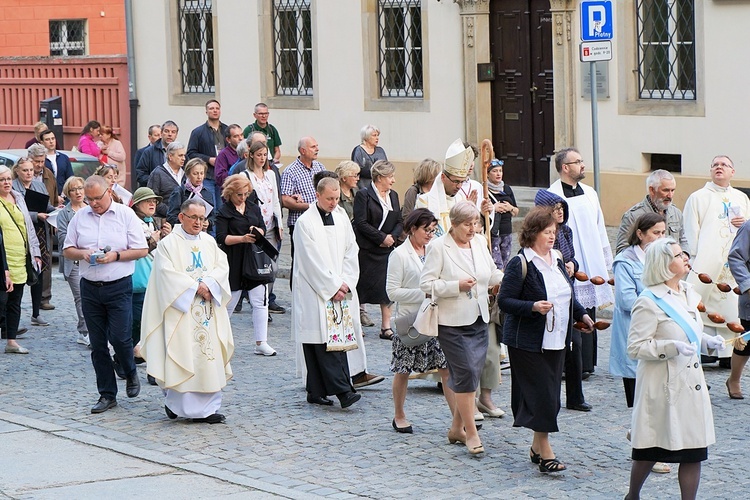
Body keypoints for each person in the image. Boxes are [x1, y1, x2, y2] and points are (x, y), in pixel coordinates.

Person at [625, 238, 722, 500]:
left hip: (691, 384)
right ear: (665, 265)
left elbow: (689, 333)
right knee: (652, 448)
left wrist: (706, 342)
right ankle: (632, 496)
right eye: (679, 255)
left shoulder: (688, 292)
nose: (686, 258)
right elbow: (635, 348)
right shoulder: (649, 301)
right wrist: (671, 347)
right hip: (662, 387)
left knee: (693, 451)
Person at [498, 207, 594, 472]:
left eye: (554, 232)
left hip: (558, 338)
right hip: (527, 341)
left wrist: (582, 315)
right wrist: (532, 307)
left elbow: (567, 295)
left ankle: (536, 446)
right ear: (533, 233)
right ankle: (546, 453)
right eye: (546, 232)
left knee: (550, 394)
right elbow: (504, 301)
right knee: (543, 396)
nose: (552, 236)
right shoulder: (522, 263)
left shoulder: (558, 259)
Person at [139, 198, 233, 423]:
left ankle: (208, 409)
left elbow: (222, 266)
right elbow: (165, 274)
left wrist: (210, 284)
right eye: (194, 218)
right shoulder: (169, 244)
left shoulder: (209, 242)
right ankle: (177, 406)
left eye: (202, 218)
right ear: (181, 217)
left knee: (208, 357)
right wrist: (195, 287)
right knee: (183, 353)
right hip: (181, 312)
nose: (199, 223)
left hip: (207, 308)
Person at [420, 201, 504, 455]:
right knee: (466, 373)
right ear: (453, 225)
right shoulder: (438, 247)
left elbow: (490, 273)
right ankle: (472, 433)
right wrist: (456, 285)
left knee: (472, 374)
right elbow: (426, 283)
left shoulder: (479, 242)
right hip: (452, 322)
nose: (473, 229)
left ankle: (456, 428)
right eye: (467, 224)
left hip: (479, 317)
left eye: (476, 223)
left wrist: (508, 280)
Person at [62, 175, 148, 414]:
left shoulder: (125, 214)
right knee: (98, 345)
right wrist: (82, 253)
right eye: (89, 199)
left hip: (119, 285)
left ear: (109, 191)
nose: (93, 203)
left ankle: (130, 371)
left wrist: (116, 256)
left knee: (121, 338)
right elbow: (67, 249)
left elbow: (141, 249)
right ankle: (107, 394)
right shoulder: (80, 217)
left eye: (97, 198)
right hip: (90, 287)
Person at [548, 147, 613, 398]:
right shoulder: (551, 195)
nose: (582, 165)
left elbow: (599, 224)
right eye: (577, 162)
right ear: (565, 167)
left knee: (590, 308)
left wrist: (604, 259)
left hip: (591, 258)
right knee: (573, 309)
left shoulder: (590, 193)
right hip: (567, 259)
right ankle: (572, 364)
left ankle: (588, 362)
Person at [292, 177, 362, 408]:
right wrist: (332, 286)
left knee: (332, 340)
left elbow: (352, 251)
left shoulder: (342, 220)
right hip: (316, 290)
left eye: (337, 198)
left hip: (339, 288)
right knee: (320, 342)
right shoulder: (305, 223)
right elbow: (310, 260)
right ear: (318, 196)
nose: (334, 203)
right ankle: (343, 391)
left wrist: (346, 283)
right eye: (329, 198)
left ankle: (316, 389)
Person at [611, 213, 672, 475]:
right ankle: (648, 450)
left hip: (662, 337)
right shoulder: (625, 262)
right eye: (655, 233)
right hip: (637, 337)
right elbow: (626, 300)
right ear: (640, 234)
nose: (660, 238)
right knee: (644, 398)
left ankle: (639, 434)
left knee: (659, 396)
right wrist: (659, 304)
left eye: (663, 232)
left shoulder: (666, 258)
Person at [386, 208, 455, 433]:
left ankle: (459, 419)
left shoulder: (435, 249)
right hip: (411, 320)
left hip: (436, 317)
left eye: (433, 230)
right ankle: (399, 414)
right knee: (403, 369)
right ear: (413, 229)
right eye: (426, 230)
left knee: (446, 369)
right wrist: (423, 292)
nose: (430, 234)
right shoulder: (399, 255)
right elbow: (392, 292)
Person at [683, 155, 750, 368]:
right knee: (702, 305)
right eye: (715, 165)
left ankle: (729, 353)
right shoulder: (698, 197)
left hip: (734, 261)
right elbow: (691, 229)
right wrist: (694, 257)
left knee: (731, 306)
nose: (719, 167)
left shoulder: (742, 197)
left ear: (733, 172)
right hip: (707, 260)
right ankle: (706, 352)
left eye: (724, 165)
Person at [215, 174, 276, 356]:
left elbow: (262, 228)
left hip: (254, 258)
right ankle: (219, 341)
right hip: (233, 258)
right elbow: (221, 238)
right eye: (239, 195)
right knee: (229, 302)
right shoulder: (224, 211)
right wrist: (241, 238)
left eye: (246, 194)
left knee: (260, 301)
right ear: (230, 193)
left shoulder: (252, 207)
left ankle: (261, 342)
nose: (243, 197)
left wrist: (258, 231)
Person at [353, 160, 403, 340]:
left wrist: (392, 238)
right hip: (367, 250)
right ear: (380, 177)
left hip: (387, 250)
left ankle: (386, 326)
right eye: (390, 177)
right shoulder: (363, 195)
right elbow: (361, 222)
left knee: (386, 289)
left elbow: (399, 220)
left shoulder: (394, 195)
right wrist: (381, 237)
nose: (393, 180)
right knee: (361, 288)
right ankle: (356, 324)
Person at [233, 140, 285, 314]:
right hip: (255, 227)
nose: (262, 158)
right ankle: (259, 305)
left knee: (272, 268)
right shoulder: (245, 175)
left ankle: (264, 301)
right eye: (259, 155)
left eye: (265, 155)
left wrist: (280, 223)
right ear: (252, 156)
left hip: (270, 225)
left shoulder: (270, 174)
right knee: (255, 267)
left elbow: (276, 200)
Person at [0, 165, 41, 354]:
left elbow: (28, 227)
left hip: (20, 258)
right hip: (3, 260)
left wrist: (36, 252)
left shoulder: (18, 198)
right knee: (2, 301)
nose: (6, 182)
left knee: (15, 301)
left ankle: (11, 341)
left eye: (8, 178)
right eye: (2, 180)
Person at [130, 187, 172, 369]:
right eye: (148, 201)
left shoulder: (153, 222)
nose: (152, 204)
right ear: (137, 204)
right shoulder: (131, 222)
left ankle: (139, 355)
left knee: (150, 322)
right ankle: (127, 355)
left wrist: (166, 237)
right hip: (137, 280)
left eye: (154, 201)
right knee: (137, 321)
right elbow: (135, 249)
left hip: (153, 279)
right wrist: (153, 241)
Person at [416, 139, 494, 236]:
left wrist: (481, 213)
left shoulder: (461, 199)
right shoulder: (425, 201)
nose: (459, 186)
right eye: (456, 181)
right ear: (443, 177)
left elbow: (470, 231)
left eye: (462, 181)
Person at [12, 155, 54, 325]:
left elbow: (46, 206)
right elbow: (15, 212)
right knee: (21, 272)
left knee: (39, 271)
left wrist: (56, 210)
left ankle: (36, 313)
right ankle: (13, 314)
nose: (29, 173)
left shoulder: (39, 185)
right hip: (20, 232)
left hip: (40, 233)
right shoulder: (12, 187)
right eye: (25, 170)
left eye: (31, 170)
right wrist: (36, 215)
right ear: (17, 171)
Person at [280, 136, 325, 289]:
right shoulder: (290, 171)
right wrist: (311, 206)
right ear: (303, 150)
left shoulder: (320, 167)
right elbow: (285, 200)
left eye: (316, 146)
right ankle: (297, 295)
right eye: (313, 147)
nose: (317, 149)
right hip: (299, 223)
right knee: (300, 261)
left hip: (320, 222)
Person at [616, 169, 689, 255]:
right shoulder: (633, 216)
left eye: (672, 190)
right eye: (665, 190)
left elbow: (683, 240)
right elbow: (622, 250)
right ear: (652, 190)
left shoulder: (676, 213)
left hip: (672, 267)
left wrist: (684, 256)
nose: (670, 195)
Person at [56, 176, 90, 346]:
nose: (78, 192)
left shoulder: (92, 209)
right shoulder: (64, 213)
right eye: (73, 189)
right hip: (74, 261)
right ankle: (84, 332)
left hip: (92, 261)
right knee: (81, 297)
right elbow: (62, 238)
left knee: (93, 298)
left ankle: (92, 329)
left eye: (80, 188)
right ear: (68, 193)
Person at [187, 99, 229, 209]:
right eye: (211, 108)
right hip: (207, 176)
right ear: (206, 112)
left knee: (223, 208)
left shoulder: (227, 130)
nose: (215, 111)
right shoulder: (198, 132)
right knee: (209, 207)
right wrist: (208, 159)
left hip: (224, 176)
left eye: (217, 108)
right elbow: (191, 153)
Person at [726, 218, 750, 399]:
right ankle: (734, 379)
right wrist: (747, 286)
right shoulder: (748, 227)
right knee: (746, 343)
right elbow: (736, 257)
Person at [167, 158, 216, 232]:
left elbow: (213, 215)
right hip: (182, 233)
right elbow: (171, 216)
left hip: (202, 234)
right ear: (188, 174)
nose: (199, 177)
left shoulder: (207, 193)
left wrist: (208, 222)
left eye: (202, 173)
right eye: (195, 174)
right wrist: (187, 222)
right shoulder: (179, 192)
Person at [486, 158, 518, 271]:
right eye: (495, 171)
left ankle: (501, 286)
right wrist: (493, 208)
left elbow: (516, 211)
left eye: (500, 170)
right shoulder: (484, 189)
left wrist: (510, 208)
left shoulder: (507, 188)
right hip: (493, 232)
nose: (498, 173)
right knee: (496, 265)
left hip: (507, 232)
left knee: (505, 263)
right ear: (488, 173)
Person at [148, 141, 186, 218]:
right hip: (164, 219)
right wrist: (171, 213)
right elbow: (152, 198)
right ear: (170, 156)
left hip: (186, 219)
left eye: (184, 155)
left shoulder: (186, 173)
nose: (184, 158)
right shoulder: (157, 173)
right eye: (180, 156)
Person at [136, 120, 179, 187]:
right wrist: (157, 182)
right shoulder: (149, 152)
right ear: (161, 133)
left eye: (173, 132)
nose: (170, 134)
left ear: (176, 135)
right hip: (155, 193)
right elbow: (140, 175)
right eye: (166, 131)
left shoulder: (180, 152)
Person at [351, 124, 387, 189]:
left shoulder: (380, 151)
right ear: (366, 137)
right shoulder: (358, 150)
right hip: (363, 186)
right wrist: (376, 172)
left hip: (380, 185)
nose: (377, 138)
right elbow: (357, 169)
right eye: (374, 135)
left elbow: (386, 167)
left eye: (377, 135)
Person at [40, 129, 74, 195]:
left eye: (53, 138)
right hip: (46, 196)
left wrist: (63, 196)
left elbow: (70, 178)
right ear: (42, 142)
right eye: (47, 139)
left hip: (63, 197)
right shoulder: (40, 159)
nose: (51, 141)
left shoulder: (64, 158)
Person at [214, 124, 244, 190]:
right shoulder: (223, 154)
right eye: (236, 136)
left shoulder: (247, 151)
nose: (240, 138)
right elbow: (219, 178)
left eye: (241, 135)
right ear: (228, 140)